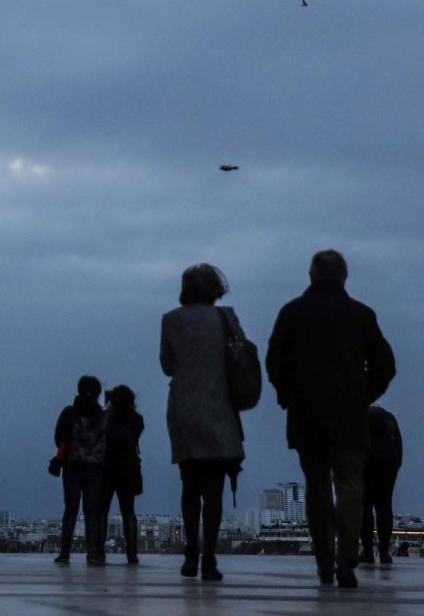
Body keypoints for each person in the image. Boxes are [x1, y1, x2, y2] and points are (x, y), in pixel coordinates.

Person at [265, 249, 396, 590]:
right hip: (350, 418)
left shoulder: (292, 313)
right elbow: (385, 365)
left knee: (317, 488)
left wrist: (287, 395)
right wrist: (363, 396)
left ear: (311, 276)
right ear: (344, 277)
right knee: (351, 486)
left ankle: (324, 561)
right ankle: (347, 561)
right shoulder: (361, 315)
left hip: (306, 415)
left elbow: (274, 361)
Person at [160, 262, 246, 581]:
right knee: (214, 490)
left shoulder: (171, 320)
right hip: (219, 410)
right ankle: (209, 558)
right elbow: (239, 358)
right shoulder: (226, 318)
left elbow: (167, 366)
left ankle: (190, 555)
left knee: (189, 486)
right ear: (215, 288)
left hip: (183, 410)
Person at [51, 374, 109, 566]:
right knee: (92, 512)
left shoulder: (69, 413)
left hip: (73, 468)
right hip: (96, 470)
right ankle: (92, 553)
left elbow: (59, 438)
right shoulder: (103, 416)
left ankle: (65, 553)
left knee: (71, 510)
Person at [98, 384, 145, 566]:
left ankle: (99, 552)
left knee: (102, 510)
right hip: (128, 469)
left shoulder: (105, 419)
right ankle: (132, 554)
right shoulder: (137, 420)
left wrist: (107, 411)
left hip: (106, 469)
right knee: (128, 511)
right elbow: (133, 437)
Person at [360, 404, 403, 567]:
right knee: (384, 505)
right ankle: (384, 553)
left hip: (366, 463)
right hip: (388, 463)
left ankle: (368, 552)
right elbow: (398, 454)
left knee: (364, 505)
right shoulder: (390, 419)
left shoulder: (361, 418)